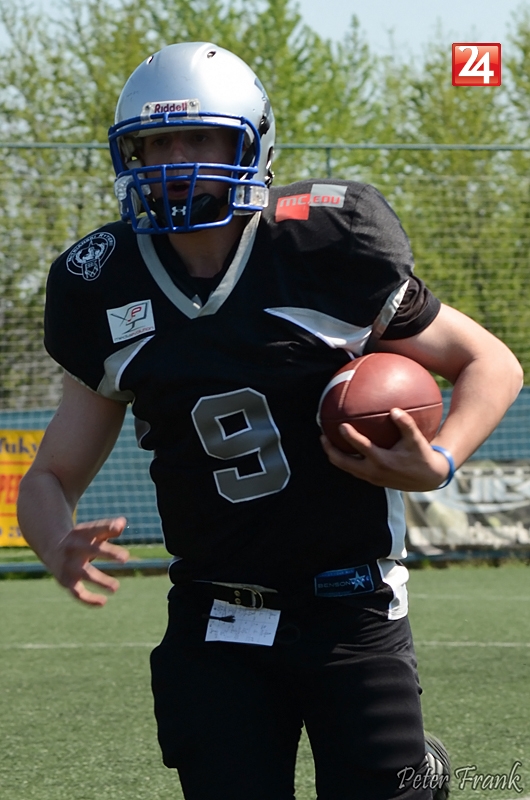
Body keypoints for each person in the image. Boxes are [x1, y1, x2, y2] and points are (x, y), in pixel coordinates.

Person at [17, 41, 522, 800]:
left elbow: (491, 362)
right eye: (157, 143)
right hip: (215, 613)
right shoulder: (103, 282)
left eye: (200, 138)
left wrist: (440, 459)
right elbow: (51, 475)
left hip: (352, 602)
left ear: (251, 143)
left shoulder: (324, 243)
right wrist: (54, 538)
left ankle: (423, 769)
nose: (175, 161)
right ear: (129, 155)